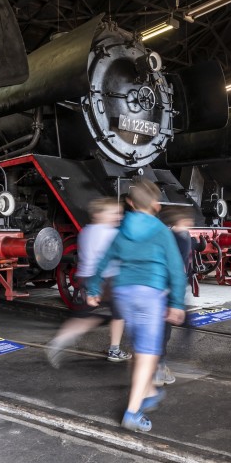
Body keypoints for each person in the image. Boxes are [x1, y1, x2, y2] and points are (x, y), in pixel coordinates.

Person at [86, 180, 187, 433]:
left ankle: (149, 391)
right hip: (149, 294)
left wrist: (93, 288)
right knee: (148, 354)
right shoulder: (161, 231)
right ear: (156, 205)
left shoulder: (122, 230)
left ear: (130, 203)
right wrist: (176, 303)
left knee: (141, 350)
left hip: (124, 293)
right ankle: (133, 413)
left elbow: (104, 260)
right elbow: (176, 269)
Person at [45, 197, 130, 367]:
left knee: (85, 316)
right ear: (99, 214)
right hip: (106, 279)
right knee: (119, 315)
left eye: (119, 213)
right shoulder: (111, 233)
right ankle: (114, 349)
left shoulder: (86, 231)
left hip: (86, 277)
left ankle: (59, 340)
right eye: (113, 213)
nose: (118, 216)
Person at [156, 207, 197, 387]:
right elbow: (176, 267)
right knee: (165, 329)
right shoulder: (176, 238)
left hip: (172, 289)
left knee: (171, 327)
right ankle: (160, 366)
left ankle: (163, 362)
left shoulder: (180, 236)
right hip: (170, 290)